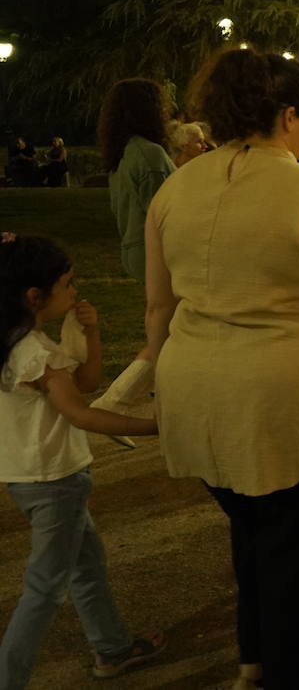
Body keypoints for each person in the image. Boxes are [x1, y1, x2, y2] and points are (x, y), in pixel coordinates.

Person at [146, 48, 299, 690]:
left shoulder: (175, 186)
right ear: (288, 115)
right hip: (283, 394)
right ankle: (289, 671)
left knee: (252, 531)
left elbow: (157, 306)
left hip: (194, 382)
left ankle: (255, 657)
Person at [0, 235, 164, 687]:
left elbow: (86, 382)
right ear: (36, 296)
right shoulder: (35, 355)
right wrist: (161, 426)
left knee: (86, 566)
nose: (74, 292)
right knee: (44, 589)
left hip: (37, 479)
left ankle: (112, 649)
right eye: (67, 284)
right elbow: (81, 412)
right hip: (55, 483)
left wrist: (90, 334)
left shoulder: (21, 342)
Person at [98, 79, 176, 281]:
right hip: (156, 252)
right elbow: (164, 212)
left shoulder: (124, 152)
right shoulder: (150, 154)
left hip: (134, 248)